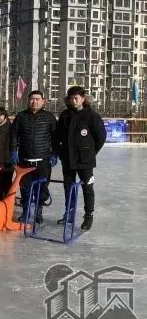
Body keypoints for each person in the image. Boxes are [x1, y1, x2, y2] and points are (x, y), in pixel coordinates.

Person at [55, 86, 106, 231]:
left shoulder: (92, 115)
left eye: (76, 98)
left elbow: (100, 136)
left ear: (83, 99)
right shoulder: (65, 115)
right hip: (68, 160)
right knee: (68, 188)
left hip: (85, 160)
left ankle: (88, 215)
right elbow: (57, 136)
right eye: (71, 98)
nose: (73, 100)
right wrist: (60, 151)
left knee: (87, 188)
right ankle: (69, 214)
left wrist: (90, 152)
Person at [10, 90, 58, 224]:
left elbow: (55, 138)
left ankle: (38, 211)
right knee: (25, 188)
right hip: (25, 161)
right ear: (28, 101)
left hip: (43, 160)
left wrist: (54, 154)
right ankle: (26, 211)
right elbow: (14, 136)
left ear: (43, 101)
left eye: (37, 99)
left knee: (42, 187)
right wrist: (13, 151)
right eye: (32, 99)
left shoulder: (49, 117)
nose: (34, 101)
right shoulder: (21, 116)